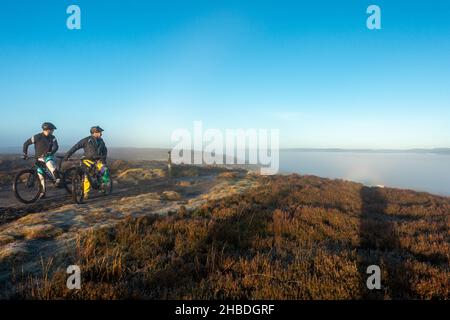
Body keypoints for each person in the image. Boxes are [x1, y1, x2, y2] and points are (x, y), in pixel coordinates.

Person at [64, 126, 109, 199]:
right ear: (94, 133)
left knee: (104, 170)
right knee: (87, 175)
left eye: (101, 132)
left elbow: (105, 150)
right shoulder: (86, 140)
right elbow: (75, 147)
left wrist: (103, 159)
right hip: (87, 160)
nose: (101, 134)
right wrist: (66, 156)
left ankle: (104, 184)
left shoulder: (101, 141)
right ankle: (85, 193)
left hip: (98, 160)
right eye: (99, 132)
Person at [23, 122, 61, 195]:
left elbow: (56, 147)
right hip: (39, 159)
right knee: (41, 176)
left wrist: (50, 153)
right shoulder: (37, 137)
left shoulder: (53, 137)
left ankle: (58, 179)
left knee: (50, 164)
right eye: (52, 130)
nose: (53, 131)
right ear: (47, 130)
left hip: (48, 156)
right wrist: (25, 153)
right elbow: (26, 143)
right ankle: (42, 192)